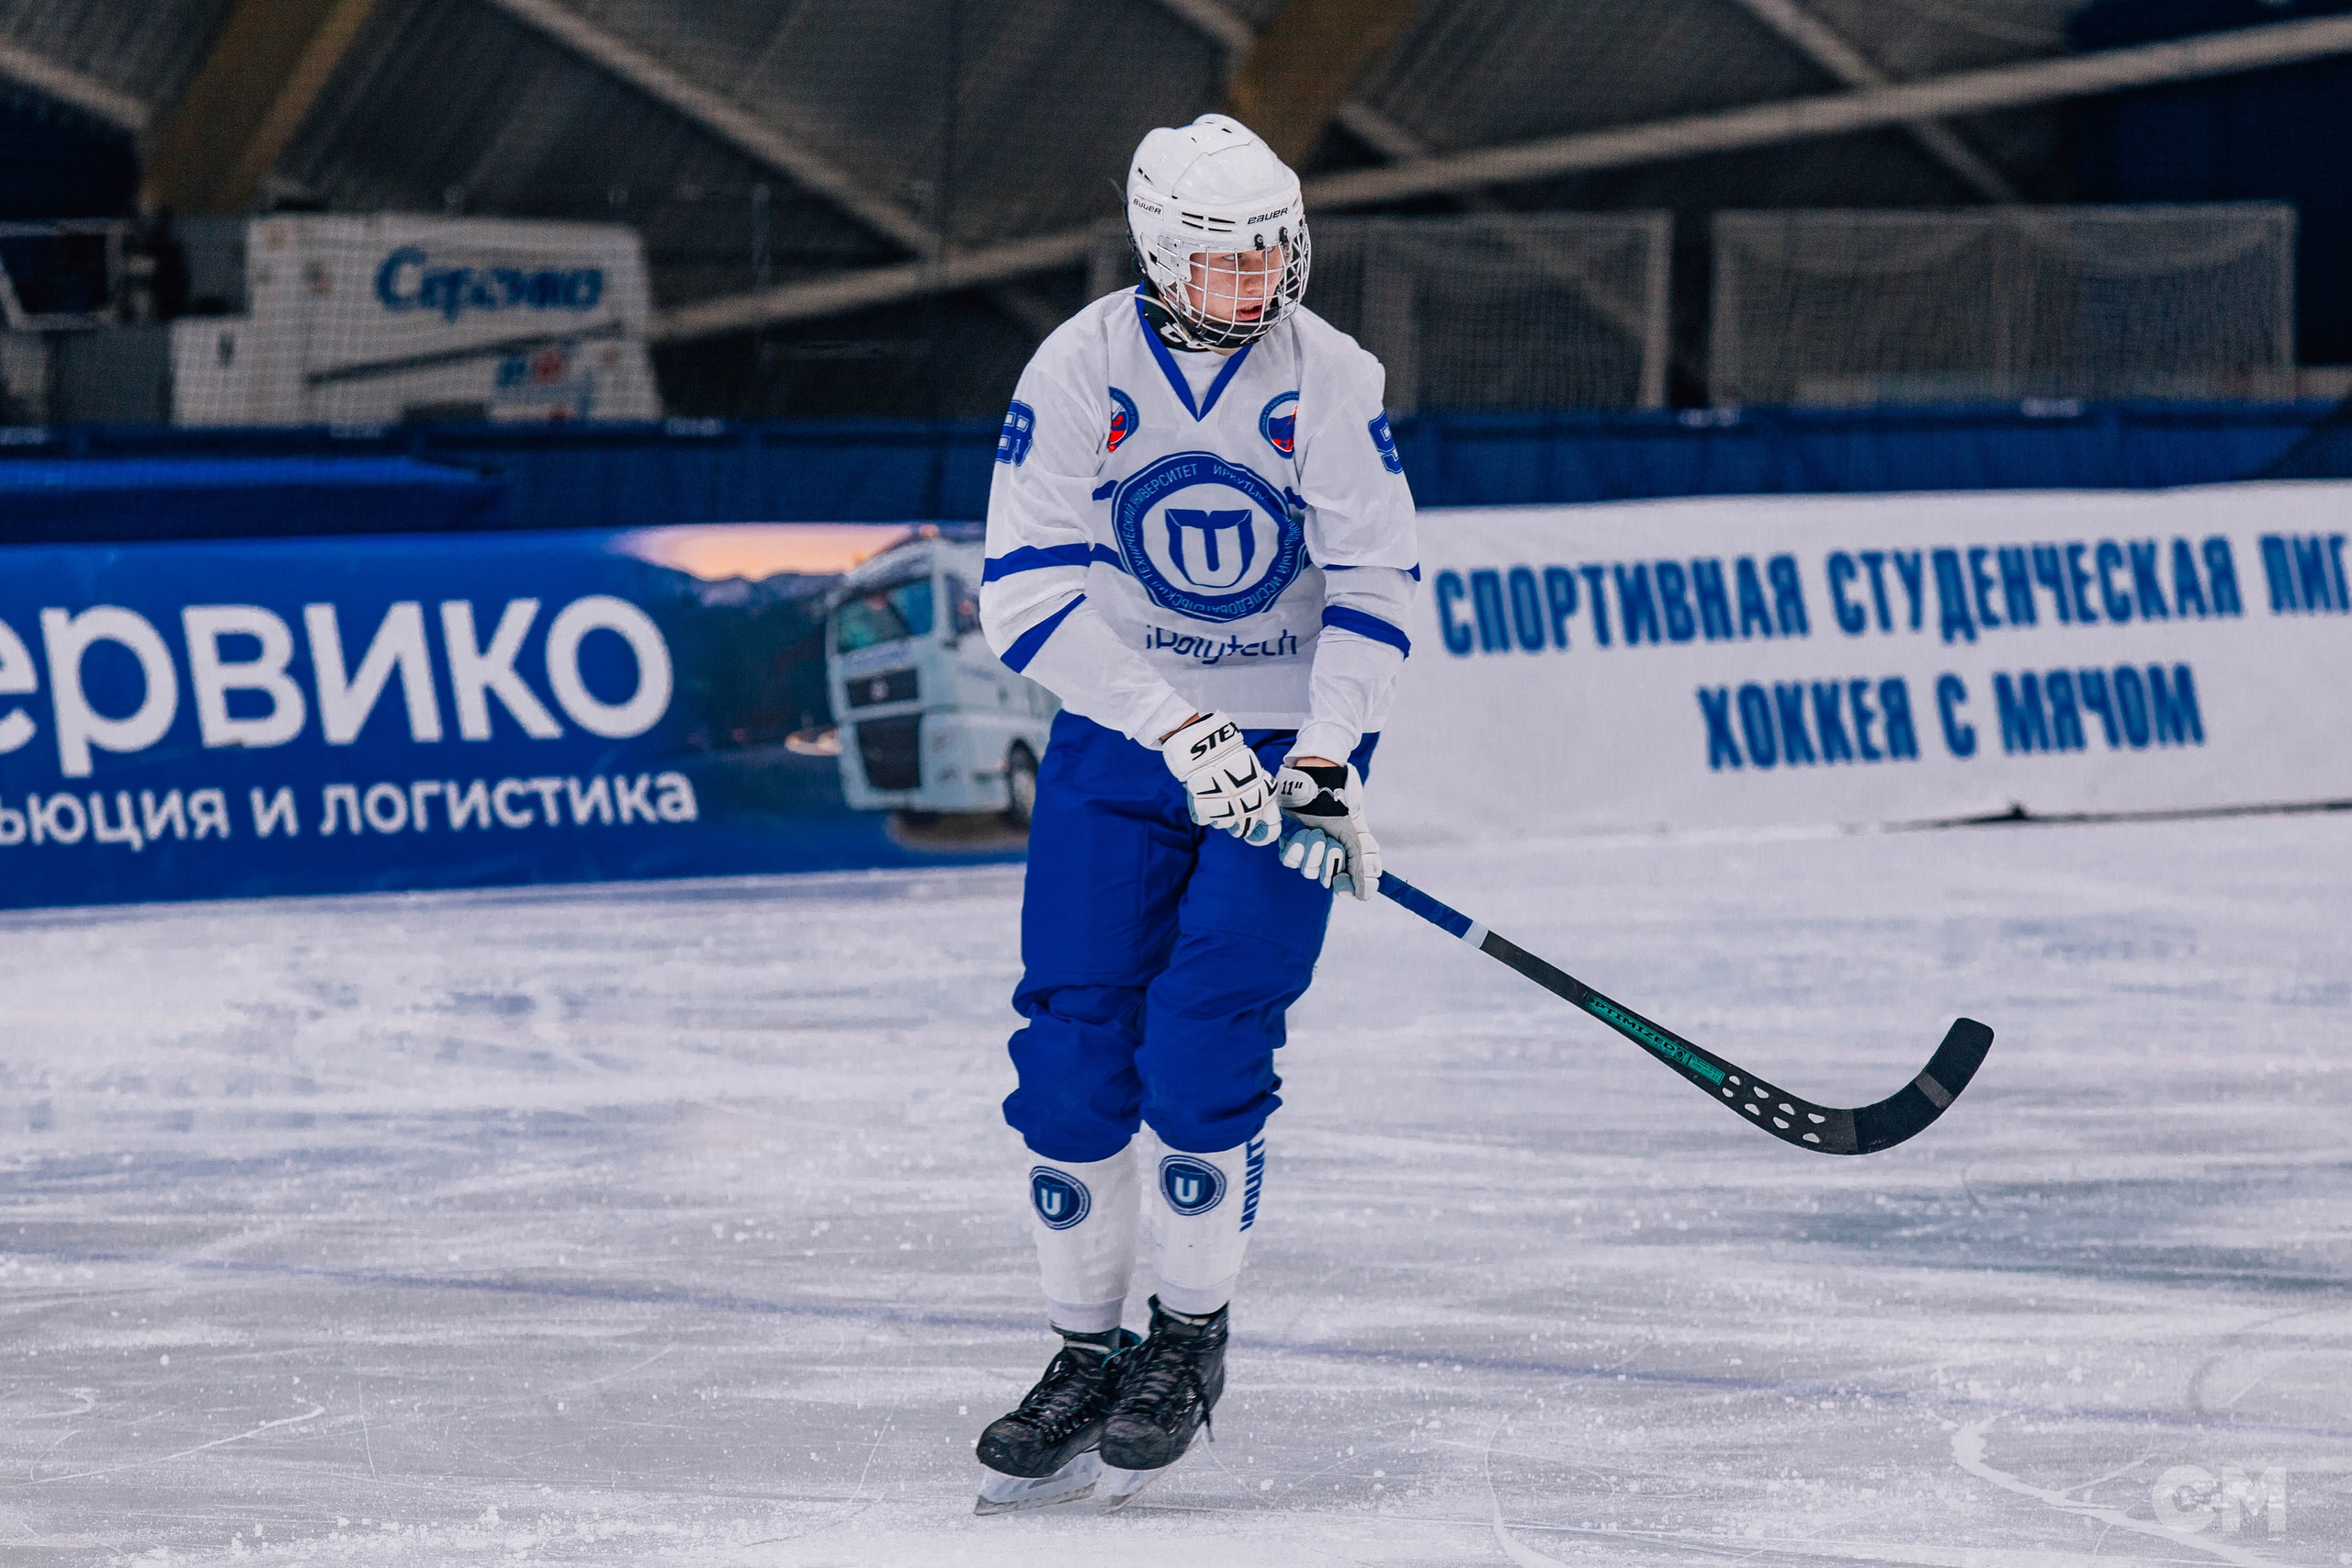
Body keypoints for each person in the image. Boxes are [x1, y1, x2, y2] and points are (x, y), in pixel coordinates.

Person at [971, 113, 1419, 1513]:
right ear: (1163, 255)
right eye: (1230, 262)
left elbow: (1378, 589)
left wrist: (1331, 762)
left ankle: (1187, 1342)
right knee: (1072, 1047)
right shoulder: (1083, 364)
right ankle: (1083, 1354)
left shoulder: (1330, 375)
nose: (1265, 283)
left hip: (1287, 748)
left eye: (1278, 251)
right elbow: (1025, 594)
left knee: (1207, 1037)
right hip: (1121, 737)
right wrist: (1174, 724)